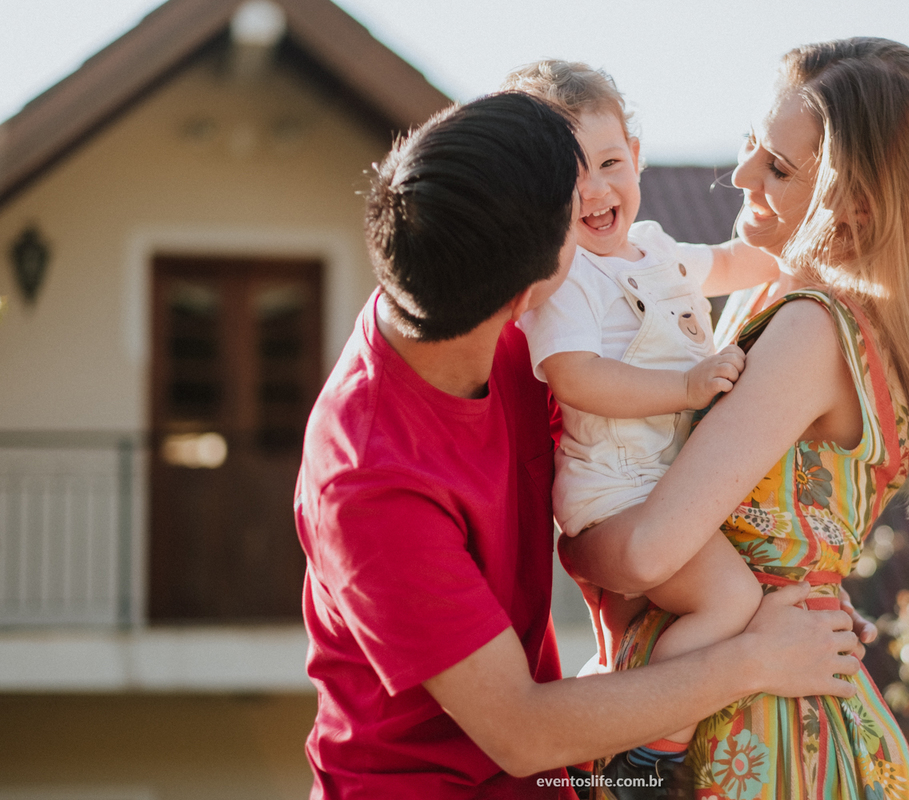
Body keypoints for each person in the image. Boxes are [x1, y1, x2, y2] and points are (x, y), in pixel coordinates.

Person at [294, 91, 871, 800]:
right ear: (536, 290)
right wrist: (755, 658)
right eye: (575, 208)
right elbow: (520, 731)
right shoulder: (372, 484)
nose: (599, 206)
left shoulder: (465, 297)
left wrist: (789, 580)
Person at [560, 38, 909, 800]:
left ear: (855, 207)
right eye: (750, 145)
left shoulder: (810, 328)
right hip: (764, 693)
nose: (740, 177)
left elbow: (650, 551)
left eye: (779, 168)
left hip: (753, 731)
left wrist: (570, 539)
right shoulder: (797, 308)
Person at [503, 60, 781, 775]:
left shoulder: (655, 248)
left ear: (636, 155)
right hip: (616, 495)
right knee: (731, 598)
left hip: (663, 488)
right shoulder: (566, 278)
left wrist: (800, 258)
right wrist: (685, 387)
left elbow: (728, 263)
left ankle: (617, 699)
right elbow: (577, 378)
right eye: (569, 179)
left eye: (609, 163)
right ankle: (650, 744)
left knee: (692, 608)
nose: (596, 190)